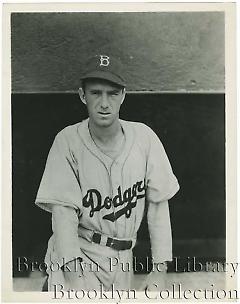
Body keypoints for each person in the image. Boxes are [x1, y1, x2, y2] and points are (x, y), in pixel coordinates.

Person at [35, 54, 180, 292]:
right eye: (96, 93)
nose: (104, 103)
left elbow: (158, 205)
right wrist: (74, 277)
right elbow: (63, 214)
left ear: (123, 95)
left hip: (123, 258)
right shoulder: (68, 141)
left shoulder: (145, 138)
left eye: (112, 93)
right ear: (82, 95)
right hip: (81, 252)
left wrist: (159, 271)